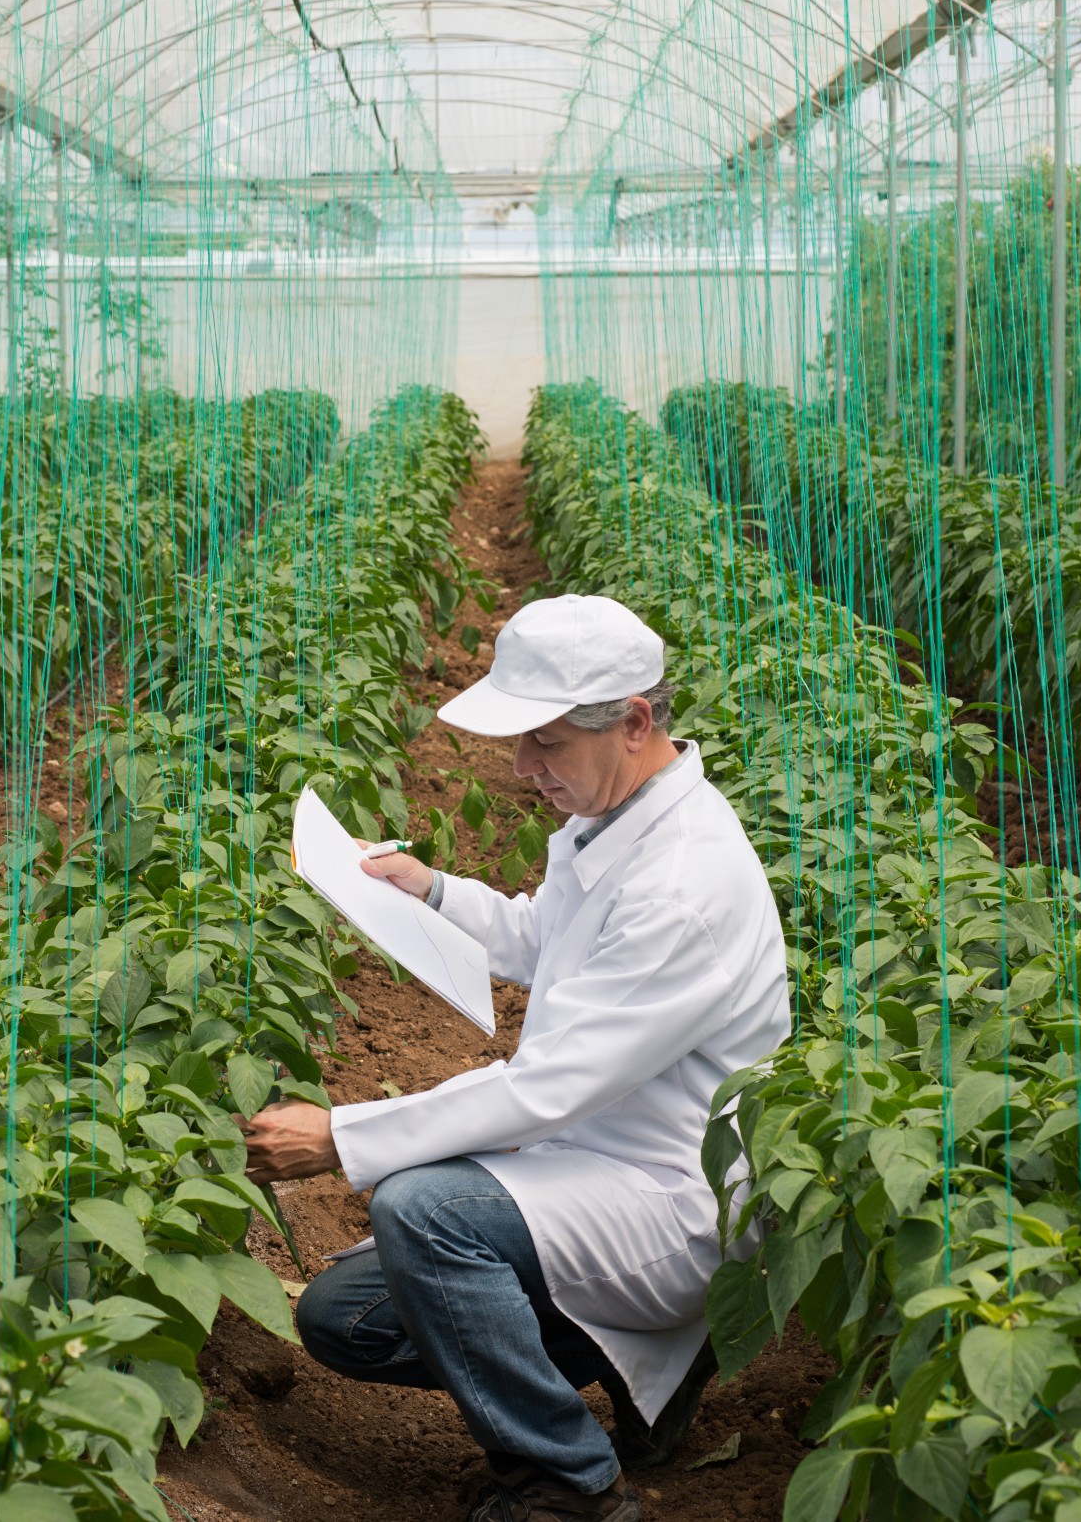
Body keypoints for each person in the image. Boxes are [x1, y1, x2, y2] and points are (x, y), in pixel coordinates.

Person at [242, 593, 790, 1522]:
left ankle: (569, 1481)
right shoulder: (622, 815)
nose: (522, 768)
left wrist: (342, 1134)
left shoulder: (684, 883)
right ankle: (644, 1365)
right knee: (346, 1319)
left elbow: (548, 1090)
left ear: (634, 723)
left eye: (544, 743)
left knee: (425, 1208)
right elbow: (549, 937)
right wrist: (432, 889)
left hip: (668, 1198)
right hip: (593, 1173)